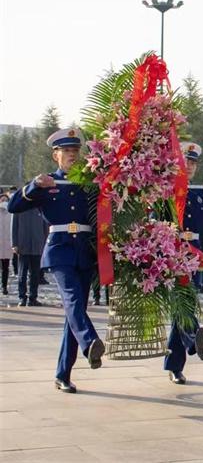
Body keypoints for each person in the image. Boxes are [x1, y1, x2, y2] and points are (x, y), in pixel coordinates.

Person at [8, 128, 105, 393]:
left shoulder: (89, 183)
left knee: (74, 313)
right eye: (67, 152)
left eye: (75, 151)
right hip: (59, 251)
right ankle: (90, 342)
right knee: (73, 300)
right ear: (56, 155)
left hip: (84, 252)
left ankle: (63, 373)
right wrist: (33, 186)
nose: (72, 156)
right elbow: (14, 206)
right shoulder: (48, 182)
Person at [163, 142, 203, 384]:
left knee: (184, 302)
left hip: (194, 252)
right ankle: (194, 335)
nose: (190, 166)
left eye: (194, 163)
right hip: (172, 249)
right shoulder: (165, 190)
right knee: (182, 300)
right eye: (186, 161)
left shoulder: (198, 194)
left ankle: (176, 364)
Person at [11, 206, 48, 306]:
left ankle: (33, 298)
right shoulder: (19, 207)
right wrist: (14, 243)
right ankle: (22, 297)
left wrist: (45, 243)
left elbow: (45, 227)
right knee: (22, 274)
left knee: (35, 274)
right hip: (23, 245)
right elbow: (14, 227)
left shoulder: (40, 208)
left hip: (37, 245)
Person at [0, 194, 11, 295]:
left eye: (6, 200)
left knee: (5, 268)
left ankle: (4, 286)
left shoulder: (11, 214)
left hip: (7, 244)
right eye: (2, 199)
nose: (4, 202)